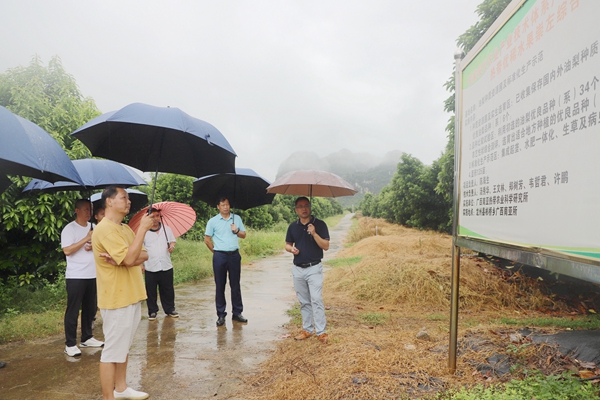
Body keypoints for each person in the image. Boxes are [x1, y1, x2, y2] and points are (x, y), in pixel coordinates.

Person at [92, 186, 153, 400]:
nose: (128, 201)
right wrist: (143, 231)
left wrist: (129, 257)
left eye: (128, 198)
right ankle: (109, 396)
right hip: (117, 298)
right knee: (112, 351)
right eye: (124, 197)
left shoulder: (125, 229)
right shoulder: (105, 229)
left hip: (131, 293)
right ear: (109, 202)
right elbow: (129, 259)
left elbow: (143, 254)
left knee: (123, 345)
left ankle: (121, 388)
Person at [61, 199, 104, 357]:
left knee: (90, 308)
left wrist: (93, 244)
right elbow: (67, 250)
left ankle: (87, 337)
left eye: (91, 209)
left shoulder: (94, 228)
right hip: (76, 276)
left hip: (92, 274)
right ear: (77, 211)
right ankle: (70, 344)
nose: (89, 212)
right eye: (86, 209)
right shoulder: (69, 229)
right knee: (73, 310)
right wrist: (86, 238)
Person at [285, 197, 330, 344]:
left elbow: (326, 246)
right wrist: (291, 249)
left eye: (306, 205)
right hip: (298, 269)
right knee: (304, 301)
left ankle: (321, 332)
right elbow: (287, 244)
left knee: (316, 299)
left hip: (314, 268)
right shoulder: (293, 226)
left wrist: (314, 233)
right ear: (296, 210)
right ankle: (307, 330)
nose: (303, 209)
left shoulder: (320, 224)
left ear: (310, 207)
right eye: (300, 206)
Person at [204, 197, 247, 327]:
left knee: (235, 284)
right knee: (220, 285)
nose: (226, 207)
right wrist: (216, 252)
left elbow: (244, 235)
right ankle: (221, 315)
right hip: (220, 256)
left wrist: (236, 231)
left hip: (234, 255)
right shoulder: (213, 221)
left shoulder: (237, 218)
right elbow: (207, 239)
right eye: (223, 205)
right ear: (218, 206)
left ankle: (237, 312)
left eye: (227, 204)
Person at [143, 207, 178, 321]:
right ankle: (152, 311)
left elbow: (173, 241)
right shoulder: (144, 232)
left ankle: (170, 309)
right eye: (152, 216)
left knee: (168, 289)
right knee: (151, 291)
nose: (155, 219)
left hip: (166, 265)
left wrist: (172, 246)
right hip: (150, 265)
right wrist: (141, 265)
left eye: (157, 216)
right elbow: (140, 248)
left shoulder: (166, 229)